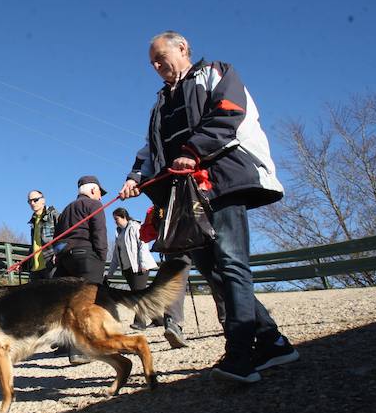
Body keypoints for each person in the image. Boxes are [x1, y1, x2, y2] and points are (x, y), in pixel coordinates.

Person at [119, 30, 299, 384]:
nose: (156, 66)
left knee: (231, 263)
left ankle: (239, 355)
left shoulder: (216, 72)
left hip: (220, 179)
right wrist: (135, 176)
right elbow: (150, 149)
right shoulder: (160, 104)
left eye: (160, 57)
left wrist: (192, 150)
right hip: (182, 196)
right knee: (211, 269)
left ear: (182, 47)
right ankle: (272, 342)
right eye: (151, 63)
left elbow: (229, 112)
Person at [105, 207, 187, 342]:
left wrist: (142, 263)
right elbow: (115, 254)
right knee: (138, 292)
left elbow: (142, 244)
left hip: (139, 266)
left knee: (138, 294)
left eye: (117, 219)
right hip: (128, 268)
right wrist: (110, 273)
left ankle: (140, 322)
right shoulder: (119, 233)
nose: (115, 222)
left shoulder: (134, 227)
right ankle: (158, 319)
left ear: (124, 216)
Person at [53, 175, 109, 365]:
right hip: (86, 255)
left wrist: (59, 258)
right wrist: (102, 256)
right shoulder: (94, 206)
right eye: (100, 192)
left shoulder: (66, 210)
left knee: (70, 302)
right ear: (93, 190)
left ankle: (69, 344)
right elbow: (99, 232)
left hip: (66, 257)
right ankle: (81, 350)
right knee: (87, 302)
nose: (100, 196)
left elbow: (57, 238)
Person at [26, 190, 60, 280]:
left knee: (53, 293)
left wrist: (58, 254)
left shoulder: (54, 215)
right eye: (29, 201)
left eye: (35, 200)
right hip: (35, 269)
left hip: (50, 265)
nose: (32, 203)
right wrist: (24, 263)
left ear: (43, 200)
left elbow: (65, 236)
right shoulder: (33, 221)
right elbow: (35, 245)